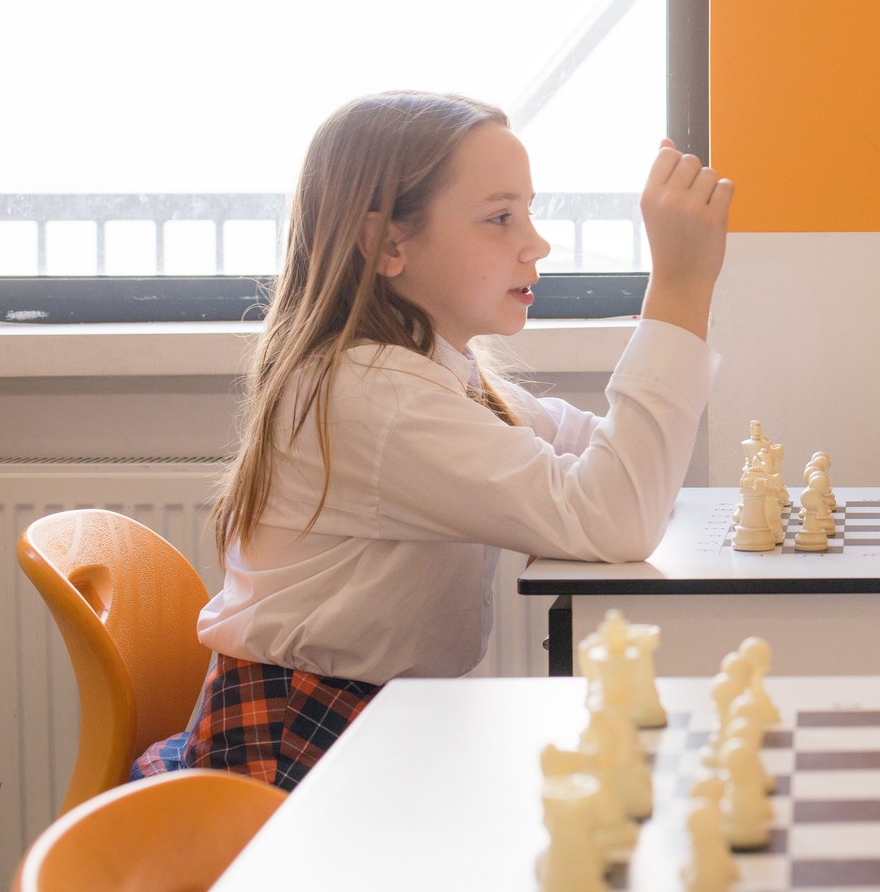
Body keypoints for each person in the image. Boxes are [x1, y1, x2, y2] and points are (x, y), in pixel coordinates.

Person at [132, 91, 732, 787]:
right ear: (388, 245)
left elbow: (608, 468)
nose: (535, 244)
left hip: (362, 715)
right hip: (296, 745)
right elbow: (619, 512)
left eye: (528, 213)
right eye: (500, 218)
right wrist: (682, 286)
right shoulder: (373, 396)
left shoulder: (426, 372)